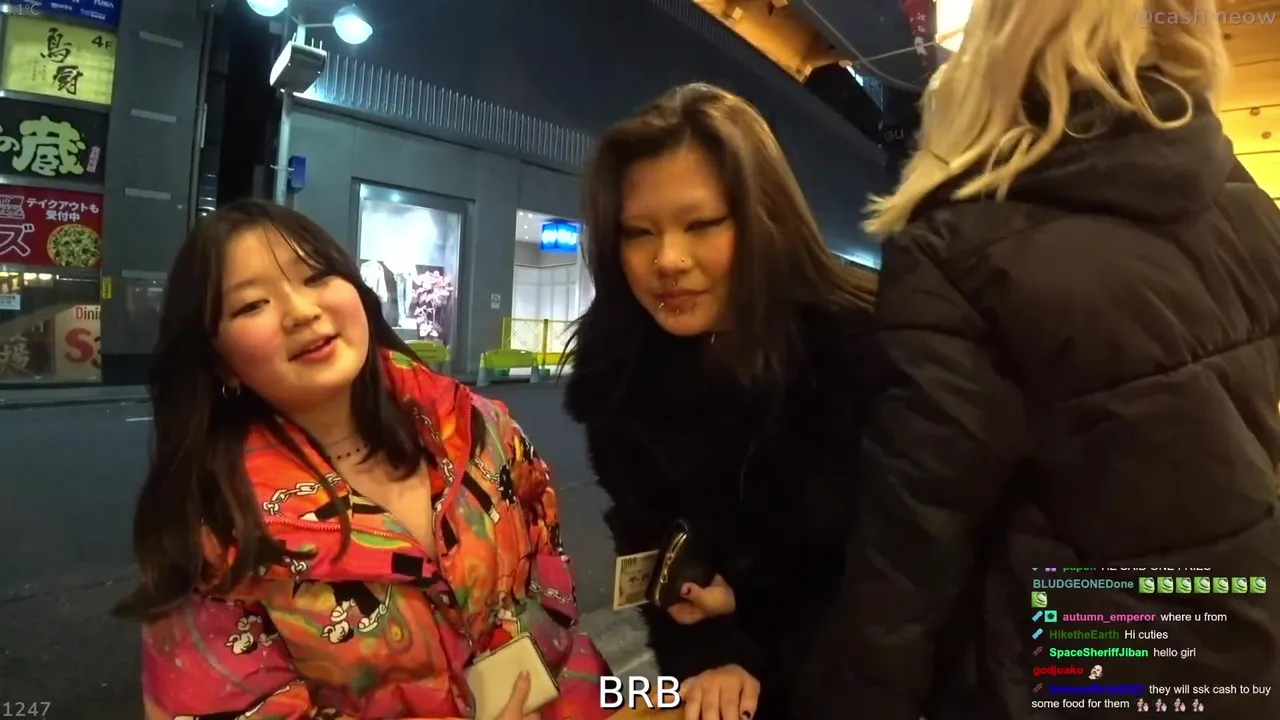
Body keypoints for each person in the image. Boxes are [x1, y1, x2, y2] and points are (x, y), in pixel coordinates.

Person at [801, 0, 1280, 718]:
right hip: (1242, 643)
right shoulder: (1247, 205)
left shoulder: (960, 244)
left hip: (1076, 665)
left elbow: (915, 535)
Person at [114, 200, 611, 719]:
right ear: (221, 363)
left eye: (315, 276)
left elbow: (545, 552)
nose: (302, 311)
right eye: (252, 305)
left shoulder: (474, 423)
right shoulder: (214, 531)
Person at [563, 83, 877, 720]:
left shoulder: (868, 349)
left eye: (702, 225)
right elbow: (648, 543)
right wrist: (707, 651)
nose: (668, 260)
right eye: (638, 233)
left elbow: (913, 562)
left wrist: (759, 608)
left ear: (765, 219)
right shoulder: (621, 372)